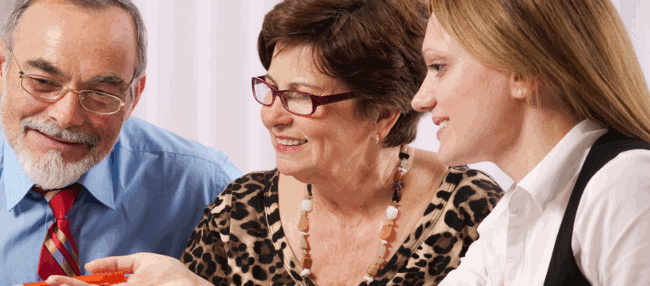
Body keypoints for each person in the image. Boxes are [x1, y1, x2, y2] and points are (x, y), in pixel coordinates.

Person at [47, 0, 504, 285]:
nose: (272, 114)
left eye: (301, 97)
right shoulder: (239, 211)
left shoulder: (475, 212)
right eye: (270, 88)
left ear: (383, 114)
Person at [0, 0, 242, 285]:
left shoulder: (210, 189)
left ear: (134, 95)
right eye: (43, 83)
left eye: (101, 93)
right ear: (2, 66)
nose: (67, 116)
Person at [409, 0, 650, 285]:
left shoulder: (624, 185)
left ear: (521, 72)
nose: (420, 100)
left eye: (439, 66)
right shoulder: (512, 218)